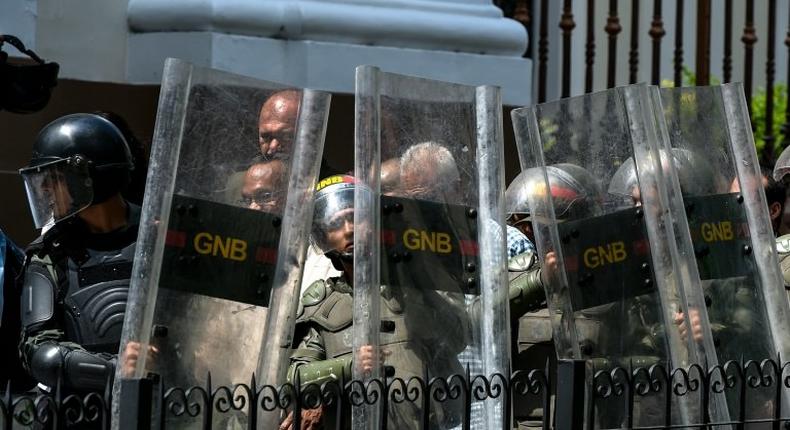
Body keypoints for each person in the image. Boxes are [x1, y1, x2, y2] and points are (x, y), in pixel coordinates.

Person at [284, 175, 470, 430]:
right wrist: (350, 366)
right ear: (323, 237)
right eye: (337, 223)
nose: (349, 229)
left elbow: (457, 339)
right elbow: (294, 378)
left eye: (356, 218)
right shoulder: (322, 305)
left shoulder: (413, 287)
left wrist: (415, 283)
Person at [17, 113, 147, 397]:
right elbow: (39, 353)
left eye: (54, 178)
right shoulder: (50, 253)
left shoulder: (158, 237)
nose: (47, 191)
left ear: (86, 178)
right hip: (84, 412)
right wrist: (115, 370)